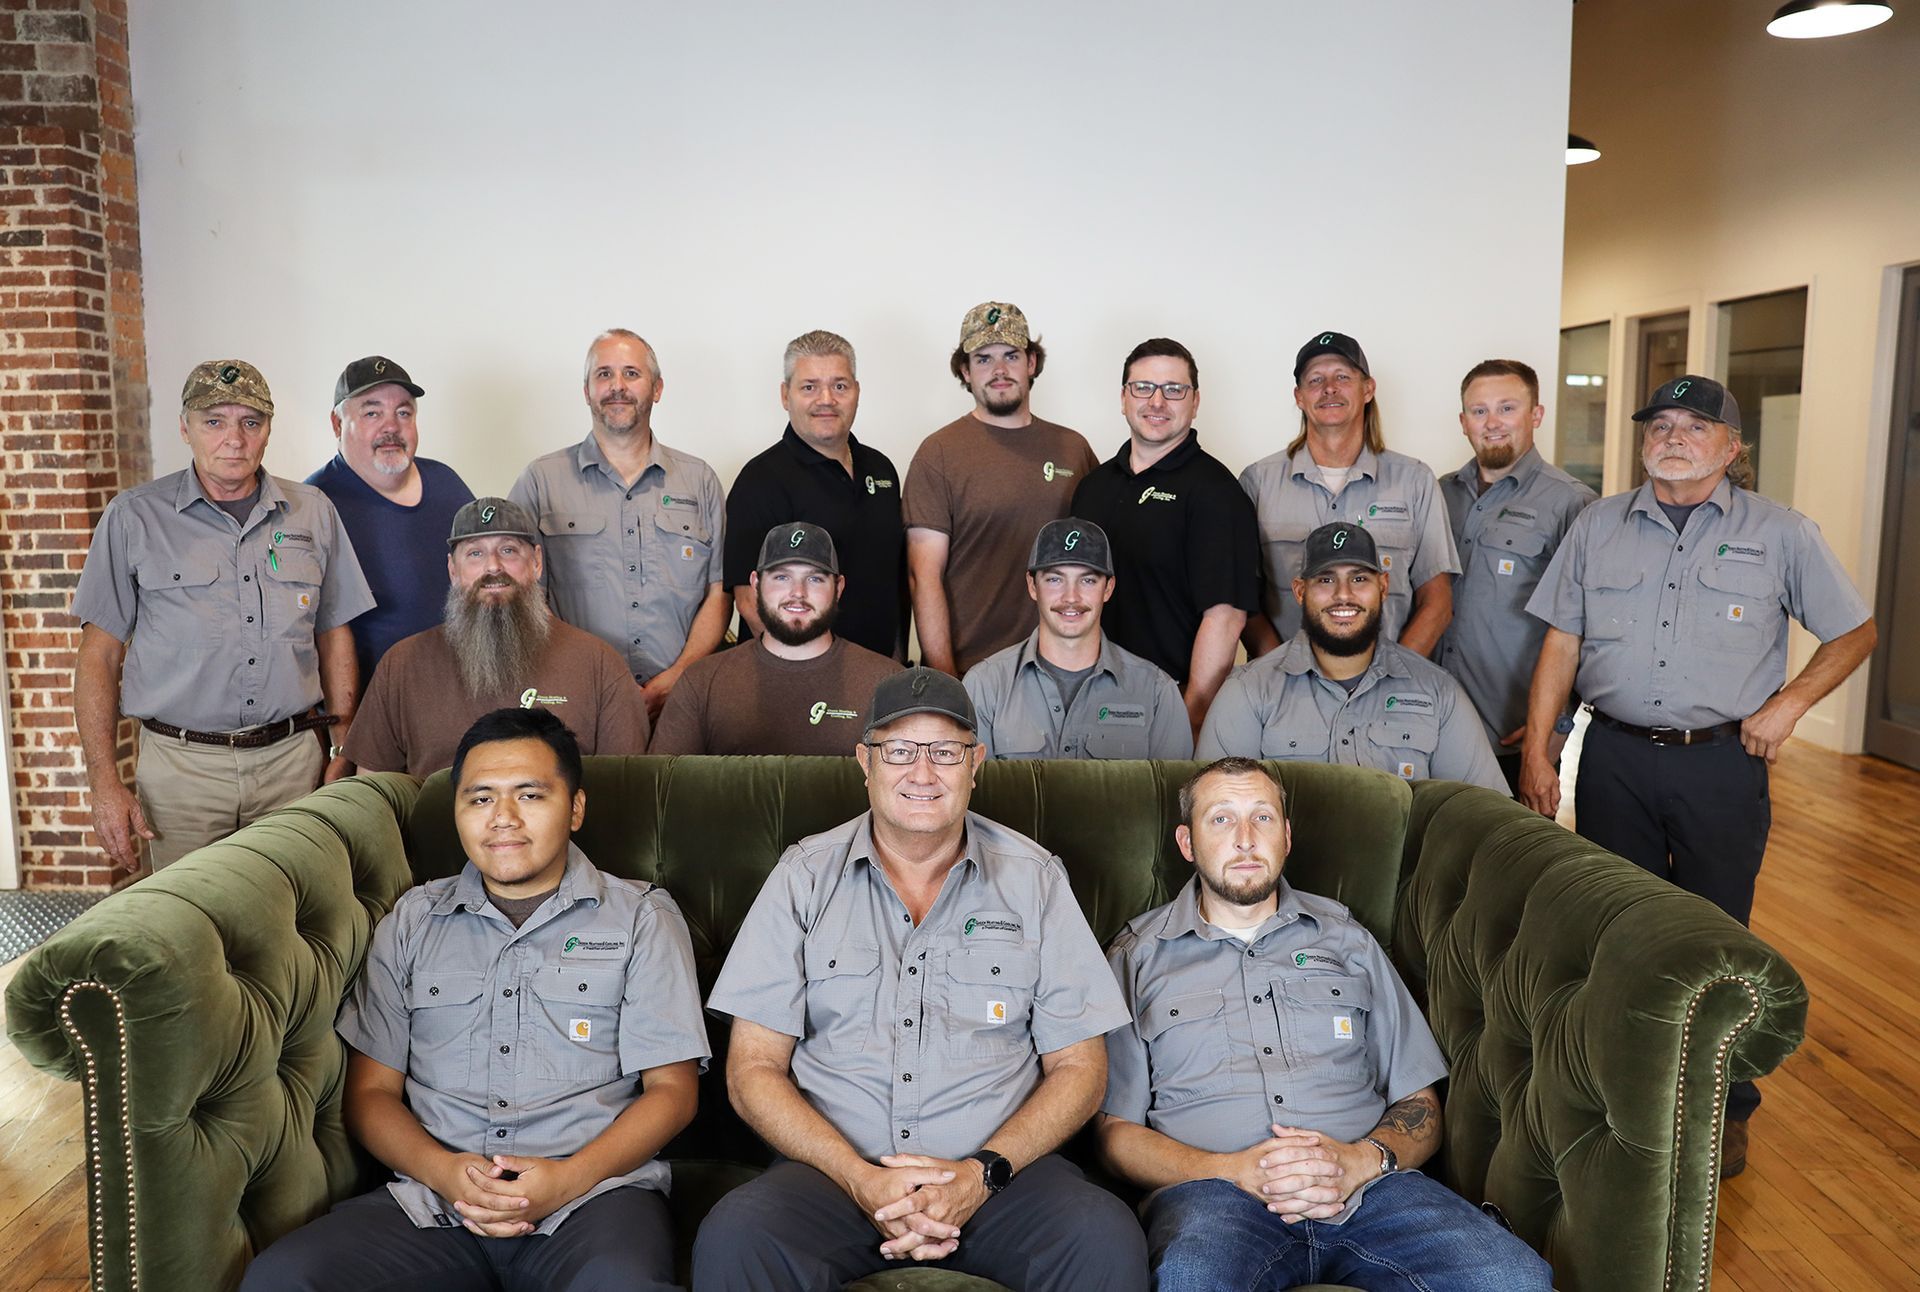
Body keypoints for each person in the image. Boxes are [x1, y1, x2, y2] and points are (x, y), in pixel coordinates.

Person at [1521, 374, 1876, 1176]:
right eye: (1660, 424)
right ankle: (1627, 1095)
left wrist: (1789, 706)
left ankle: (1725, 1108)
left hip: (1721, 764)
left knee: (1720, 941)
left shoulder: (1782, 533)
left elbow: (1855, 632)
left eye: (1694, 425)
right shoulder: (1597, 524)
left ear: (1732, 446)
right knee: (1622, 933)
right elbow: (1561, 645)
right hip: (1611, 757)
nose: (1672, 437)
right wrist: (1540, 748)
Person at [694, 668, 1147, 1292]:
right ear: (865, 761)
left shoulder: (1035, 879)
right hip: (832, 1180)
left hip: (1002, 1183)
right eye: (901, 751)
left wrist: (979, 1175)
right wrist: (858, 1175)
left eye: (945, 752)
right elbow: (752, 1072)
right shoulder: (803, 877)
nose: (923, 772)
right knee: (737, 1236)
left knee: (1103, 1236)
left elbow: (1081, 1068)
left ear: (976, 762)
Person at [239, 708, 708, 1292]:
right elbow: (370, 1094)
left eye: (530, 795)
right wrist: (446, 1174)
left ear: (576, 808)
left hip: (591, 1201)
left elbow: (673, 1092)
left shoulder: (641, 917)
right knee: (283, 1278)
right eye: (480, 799)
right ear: (456, 811)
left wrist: (565, 1180)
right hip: (434, 1203)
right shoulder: (413, 920)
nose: (503, 820)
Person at [1097, 757, 1555, 1291]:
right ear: (1186, 842)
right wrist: (1231, 1170)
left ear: (1287, 836)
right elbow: (1115, 1134)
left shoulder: (1347, 940)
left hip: (1372, 1193)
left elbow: (1420, 1104)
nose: (1245, 839)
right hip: (1214, 1198)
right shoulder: (1136, 956)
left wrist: (1360, 1160)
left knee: (1514, 1278)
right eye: (1221, 819)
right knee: (1194, 1281)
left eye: (1262, 818)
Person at [72, 360, 375, 870]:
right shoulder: (133, 518)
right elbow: (98, 657)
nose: (234, 439)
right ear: (185, 427)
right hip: (181, 774)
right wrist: (104, 782)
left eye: (250, 423)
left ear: (267, 431)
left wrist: (341, 748)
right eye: (214, 421)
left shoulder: (313, 511)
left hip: (292, 764)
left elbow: (334, 636)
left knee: (292, 916)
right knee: (187, 928)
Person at [508, 329, 727, 723]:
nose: (617, 387)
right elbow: (524, 600)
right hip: (575, 703)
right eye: (604, 375)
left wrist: (679, 676)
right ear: (587, 390)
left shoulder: (701, 481)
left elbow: (718, 593)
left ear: (657, 388)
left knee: (676, 788)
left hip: (682, 704)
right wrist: (582, 678)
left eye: (631, 373)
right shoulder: (540, 481)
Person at [345, 498, 651, 778]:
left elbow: (625, 789)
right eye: (475, 553)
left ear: (537, 563)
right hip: (431, 837)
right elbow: (371, 791)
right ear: (453, 569)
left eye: (508, 550)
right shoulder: (402, 665)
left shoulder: (598, 663)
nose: (493, 566)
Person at [1196, 523, 1506, 793]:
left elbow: (1482, 813)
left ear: (1383, 587)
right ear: (1300, 591)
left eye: (1359, 579)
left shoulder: (1439, 693)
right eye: (1326, 580)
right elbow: (1214, 810)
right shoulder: (1248, 692)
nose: (1343, 594)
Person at [1071, 337, 1261, 736]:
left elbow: (1225, 618)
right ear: (1124, 397)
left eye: (1174, 390)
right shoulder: (1093, 488)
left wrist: (1190, 717)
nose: (1157, 402)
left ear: (1195, 402)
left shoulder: (1217, 492)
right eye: (1143, 387)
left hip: (1169, 706)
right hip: (1086, 699)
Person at [904, 302, 1097, 675]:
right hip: (973, 670)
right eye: (983, 359)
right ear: (965, 370)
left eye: (1011, 355)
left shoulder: (1074, 449)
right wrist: (947, 678)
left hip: (1065, 669)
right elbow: (923, 576)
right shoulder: (938, 453)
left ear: (1032, 363)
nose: (999, 371)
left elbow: (1098, 565)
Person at [1240, 331, 1459, 659]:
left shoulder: (1415, 481)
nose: (1329, 388)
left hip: (1387, 692)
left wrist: (1394, 676)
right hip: (1286, 693)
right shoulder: (1258, 481)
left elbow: (1437, 602)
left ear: (1368, 389)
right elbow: (1242, 598)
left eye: (1342, 377)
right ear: (1299, 396)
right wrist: (1277, 676)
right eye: (1316, 380)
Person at [1437, 359, 1597, 792]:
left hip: (1509, 737)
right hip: (1429, 729)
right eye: (1479, 411)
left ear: (1536, 415)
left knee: (1508, 858)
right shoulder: (1436, 495)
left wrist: (1555, 725)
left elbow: (1588, 627)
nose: (1492, 423)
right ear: (1463, 421)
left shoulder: (1572, 504)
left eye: (1507, 408)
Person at [722, 330, 906, 659]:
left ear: (857, 392)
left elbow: (893, 583)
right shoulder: (759, 481)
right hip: (794, 682)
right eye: (810, 387)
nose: (826, 399)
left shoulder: (882, 471)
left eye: (839, 386)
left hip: (878, 674)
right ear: (785, 395)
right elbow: (749, 602)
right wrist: (812, 675)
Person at [650, 522, 903, 755]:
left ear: (838, 588)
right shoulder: (701, 682)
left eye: (814, 579)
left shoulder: (888, 684)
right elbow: (661, 789)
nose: (797, 593)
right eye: (782, 577)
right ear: (756, 584)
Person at [962, 518, 1192, 760]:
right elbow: (975, 794)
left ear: (1108, 588)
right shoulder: (985, 686)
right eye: (1055, 579)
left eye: (1088, 580)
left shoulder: (1157, 692)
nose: (1071, 597)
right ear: (1032, 585)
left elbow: (1174, 795)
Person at [306, 355, 475, 682]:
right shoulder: (312, 505)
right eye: (372, 413)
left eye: (403, 412)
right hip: (372, 707)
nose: (391, 428)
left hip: (462, 693)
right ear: (337, 424)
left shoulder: (446, 482)